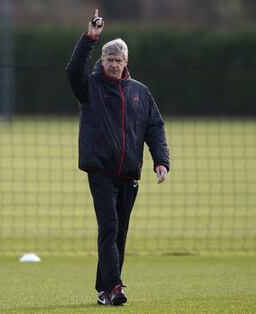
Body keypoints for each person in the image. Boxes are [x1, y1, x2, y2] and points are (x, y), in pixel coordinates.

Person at [65, 9, 170, 306]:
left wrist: (160, 160)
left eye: (118, 60)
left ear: (126, 63)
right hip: (100, 170)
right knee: (109, 226)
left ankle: (104, 288)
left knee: (119, 232)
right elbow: (73, 71)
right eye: (108, 59)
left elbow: (154, 127)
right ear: (102, 61)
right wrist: (90, 37)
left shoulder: (140, 93)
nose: (113, 64)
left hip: (129, 173)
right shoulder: (90, 87)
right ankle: (115, 286)